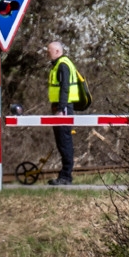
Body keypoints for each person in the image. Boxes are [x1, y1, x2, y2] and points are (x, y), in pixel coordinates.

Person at [46, 40, 80, 185]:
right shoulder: (59, 64)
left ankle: (66, 176)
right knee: (61, 141)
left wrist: (60, 109)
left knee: (64, 141)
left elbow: (65, 88)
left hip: (63, 107)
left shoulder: (63, 65)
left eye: (49, 51)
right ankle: (65, 175)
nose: (47, 54)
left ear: (57, 51)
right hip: (59, 106)